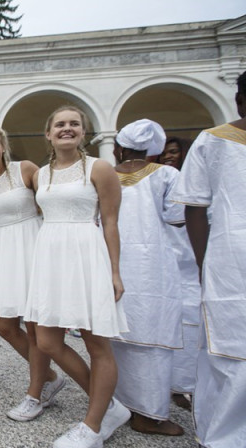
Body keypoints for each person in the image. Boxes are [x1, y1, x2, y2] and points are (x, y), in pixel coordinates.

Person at [25, 106, 129, 447]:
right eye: (60, 124)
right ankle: (109, 403)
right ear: (48, 133)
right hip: (51, 257)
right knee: (47, 341)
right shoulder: (41, 175)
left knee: (96, 343)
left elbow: (111, 222)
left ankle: (93, 425)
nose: (67, 129)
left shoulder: (99, 168)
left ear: (84, 132)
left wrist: (114, 271)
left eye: (74, 124)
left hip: (86, 254)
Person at [170, 70, 246, 448]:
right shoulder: (214, 141)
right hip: (231, 257)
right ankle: (224, 436)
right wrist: (204, 263)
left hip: (226, 255)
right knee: (230, 348)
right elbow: (195, 207)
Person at [0, 124, 65, 422]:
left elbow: (52, 198)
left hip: (33, 243)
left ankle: (34, 394)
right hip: (4, 250)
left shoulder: (25, 169)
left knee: (37, 326)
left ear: (4, 146)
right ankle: (50, 376)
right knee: (4, 326)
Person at [110, 119, 185, 436]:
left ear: (119, 147)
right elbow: (178, 216)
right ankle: (150, 415)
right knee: (154, 341)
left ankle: (119, 403)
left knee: (117, 337)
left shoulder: (105, 177)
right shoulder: (167, 175)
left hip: (113, 264)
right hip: (154, 268)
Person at [156, 139, 200, 411]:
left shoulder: (189, 180)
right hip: (168, 257)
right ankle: (172, 384)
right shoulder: (163, 179)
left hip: (190, 258)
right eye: (164, 153)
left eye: (173, 152)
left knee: (192, 321)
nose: (168, 157)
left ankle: (190, 384)